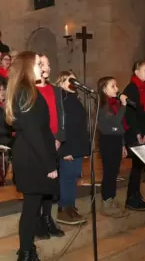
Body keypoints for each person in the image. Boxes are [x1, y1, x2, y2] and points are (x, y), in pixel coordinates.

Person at [5, 51, 59, 261]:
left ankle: (28, 249)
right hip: (32, 156)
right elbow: (33, 132)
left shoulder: (28, 90)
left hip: (31, 154)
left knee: (33, 206)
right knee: (31, 208)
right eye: (38, 64)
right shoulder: (26, 91)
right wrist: (49, 165)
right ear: (27, 67)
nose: (42, 68)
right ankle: (26, 254)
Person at [35, 54, 65, 239]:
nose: (47, 67)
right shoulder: (30, 90)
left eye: (48, 64)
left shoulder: (55, 90)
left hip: (54, 141)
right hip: (39, 142)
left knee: (52, 185)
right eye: (42, 64)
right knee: (39, 182)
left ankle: (47, 218)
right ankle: (37, 220)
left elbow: (61, 115)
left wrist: (60, 137)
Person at [55, 71, 88, 225]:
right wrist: (65, 149)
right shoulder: (60, 99)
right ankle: (63, 208)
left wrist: (85, 147)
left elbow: (81, 125)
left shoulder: (75, 98)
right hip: (68, 144)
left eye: (75, 79)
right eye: (70, 80)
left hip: (78, 143)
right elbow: (61, 126)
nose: (73, 83)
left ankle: (71, 206)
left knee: (74, 176)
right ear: (61, 82)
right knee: (67, 177)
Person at [97, 76, 129, 218]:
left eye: (116, 86)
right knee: (109, 172)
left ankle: (112, 198)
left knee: (115, 172)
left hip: (116, 140)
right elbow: (115, 121)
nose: (117, 89)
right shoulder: (102, 105)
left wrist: (122, 144)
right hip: (107, 141)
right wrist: (123, 105)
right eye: (113, 86)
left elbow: (120, 126)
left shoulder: (114, 103)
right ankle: (106, 201)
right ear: (104, 89)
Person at [122, 61, 145, 211]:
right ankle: (131, 198)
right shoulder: (132, 88)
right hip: (134, 133)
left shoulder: (143, 88)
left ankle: (135, 195)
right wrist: (138, 133)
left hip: (141, 133)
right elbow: (130, 115)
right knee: (136, 166)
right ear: (137, 71)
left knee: (138, 167)